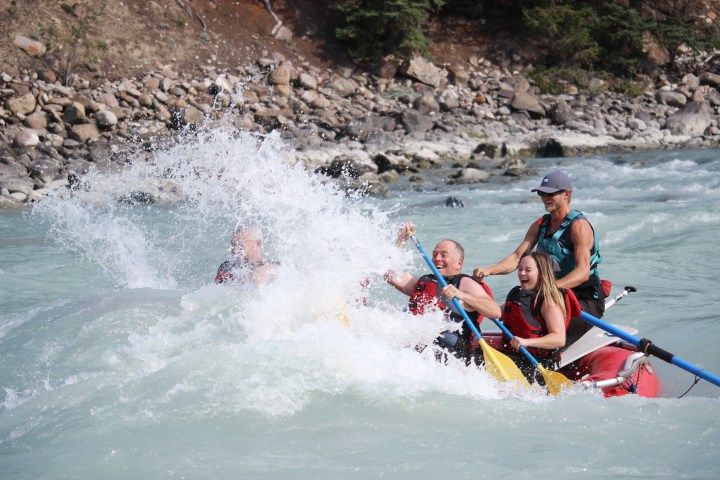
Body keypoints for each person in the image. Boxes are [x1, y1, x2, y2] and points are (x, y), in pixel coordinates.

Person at [472, 170, 604, 348]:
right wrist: (490, 270)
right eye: (542, 193)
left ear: (567, 194)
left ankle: (547, 353)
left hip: (584, 299)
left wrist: (550, 288)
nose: (545, 198)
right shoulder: (540, 225)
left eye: (550, 193)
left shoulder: (579, 227)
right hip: (550, 296)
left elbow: (583, 272)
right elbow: (517, 257)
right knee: (516, 314)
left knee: (543, 327)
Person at [442, 251, 581, 384]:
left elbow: (559, 339)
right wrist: (465, 296)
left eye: (528, 270)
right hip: (513, 356)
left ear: (542, 273)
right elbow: (495, 313)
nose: (522, 273)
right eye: (520, 269)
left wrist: (527, 342)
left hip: (536, 362)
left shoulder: (549, 301)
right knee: (468, 355)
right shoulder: (518, 294)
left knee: (473, 362)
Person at [384, 221, 494, 364]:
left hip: (452, 360)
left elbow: (494, 311)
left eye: (444, 255)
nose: (437, 258)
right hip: (418, 358)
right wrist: (401, 239)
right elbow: (390, 275)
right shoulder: (425, 282)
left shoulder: (465, 283)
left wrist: (462, 295)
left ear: (459, 263)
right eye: (435, 254)